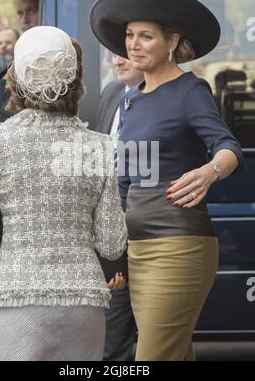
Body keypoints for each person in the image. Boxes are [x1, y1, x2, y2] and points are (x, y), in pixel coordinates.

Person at [90, 0, 245, 361]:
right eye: (129, 35)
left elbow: (229, 148)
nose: (133, 44)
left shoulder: (190, 90)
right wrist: (116, 252)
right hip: (137, 250)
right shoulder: (130, 99)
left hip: (179, 247)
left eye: (146, 36)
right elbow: (124, 186)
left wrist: (210, 172)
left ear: (171, 40)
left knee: (153, 355)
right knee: (172, 352)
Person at [0, 26, 127, 361]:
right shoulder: (97, 147)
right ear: (74, 80)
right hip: (83, 299)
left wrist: (5, 263)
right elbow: (111, 244)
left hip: (14, 298)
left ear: (15, 79)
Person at [96, 54, 143, 361]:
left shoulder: (161, 99)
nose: (117, 58)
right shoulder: (112, 92)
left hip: (144, 233)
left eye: (125, 51)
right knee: (107, 342)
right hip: (108, 235)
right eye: (114, 50)